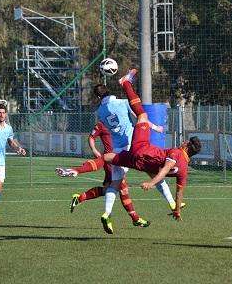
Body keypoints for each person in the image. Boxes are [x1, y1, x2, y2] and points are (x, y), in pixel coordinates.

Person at [70, 69, 201, 232]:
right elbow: (135, 113)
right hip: (137, 150)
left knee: (114, 176)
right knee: (137, 179)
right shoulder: (183, 169)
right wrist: (155, 127)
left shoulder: (100, 112)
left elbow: (140, 115)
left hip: (128, 149)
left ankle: (107, 212)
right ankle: (168, 204)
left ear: (98, 97)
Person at [59, 121, 150, 228]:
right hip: (111, 161)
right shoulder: (102, 124)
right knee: (123, 188)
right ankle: (135, 218)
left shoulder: (123, 121)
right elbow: (91, 137)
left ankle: (79, 198)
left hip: (121, 159)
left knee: (108, 189)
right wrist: (95, 151)